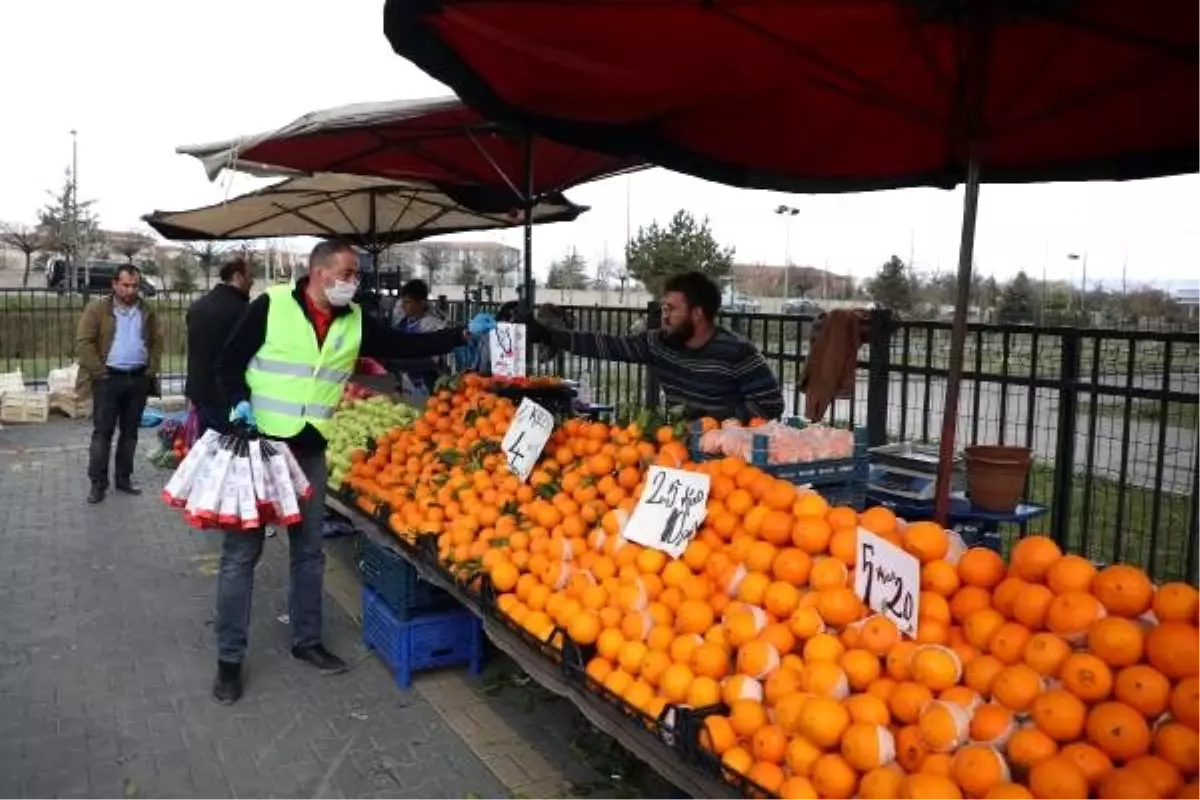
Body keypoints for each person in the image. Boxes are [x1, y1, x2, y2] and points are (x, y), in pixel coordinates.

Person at [210, 240, 470, 704]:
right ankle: (229, 660)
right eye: (348, 272)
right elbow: (228, 360)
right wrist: (238, 400)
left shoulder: (353, 322)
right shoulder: (271, 306)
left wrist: (461, 336)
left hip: (311, 451)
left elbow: (403, 345)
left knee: (309, 554)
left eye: (356, 275)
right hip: (262, 448)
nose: (355, 281)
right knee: (240, 557)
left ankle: (307, 641)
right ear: (319, 272)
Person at [524, 271, 785, 422]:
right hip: (677, 449)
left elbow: (771, 404)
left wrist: (715, 417)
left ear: (697, 313)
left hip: (730, 462)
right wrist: (549, 334)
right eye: (663, 308)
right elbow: (607, 345)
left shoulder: (739, 353)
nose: (664, 316)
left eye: (671, 309)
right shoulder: (658, 343)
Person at [75, 264, 163, 504]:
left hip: (137, 379)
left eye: (135, 285)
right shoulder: (97, 309)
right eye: (125, 285)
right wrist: (99, 371)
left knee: (130, 433)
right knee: (102, 433)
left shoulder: (147, 310)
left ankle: (123, 478)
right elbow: (84, 343)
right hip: (108, 379)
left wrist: (151, 369)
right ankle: (98, 483)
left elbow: (157, 342)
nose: (131, 290)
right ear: (114, 284)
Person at [184, 257, 253, 435]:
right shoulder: (243, 311)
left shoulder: (198, 306)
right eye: (250, 276)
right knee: (230, 452)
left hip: (199, 392)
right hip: (228, 396)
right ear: (238, 277)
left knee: (207, 450)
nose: (252, 281)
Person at [389, 278, 447, 395]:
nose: (404, 306)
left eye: (408, 302)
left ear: (422, 302)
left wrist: (399, 361)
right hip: (406, 383)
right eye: (403, 302)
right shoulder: (405, 321)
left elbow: (432, 361)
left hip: (426, 385)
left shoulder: (432, 325)